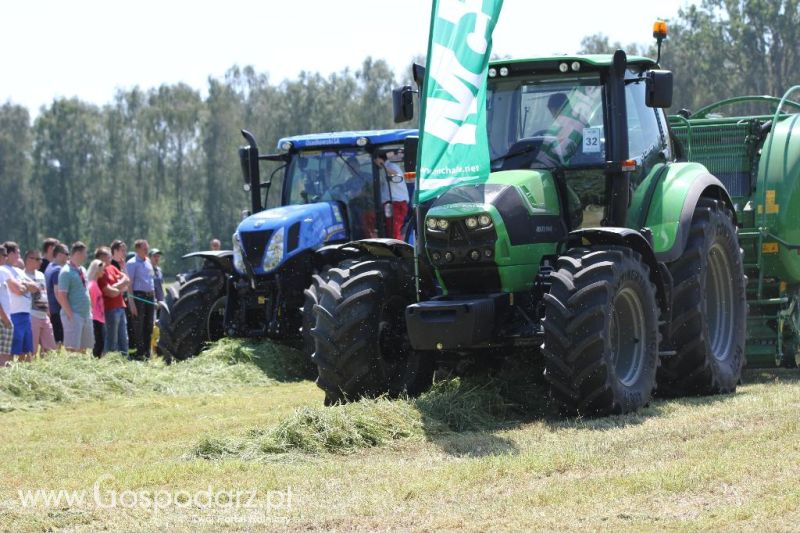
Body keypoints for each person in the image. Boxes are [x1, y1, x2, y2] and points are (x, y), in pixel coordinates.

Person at [2, 241, 39, 361]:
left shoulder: (18, 270)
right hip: (13, 315)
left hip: (26, 315)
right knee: (11, 351)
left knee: (27, 350)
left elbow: (36, 287)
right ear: (10, 253)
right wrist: (24, 286)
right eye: (17, 252)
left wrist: (24, 285)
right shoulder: (3, 270)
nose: (19, 255)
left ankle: (25, 375)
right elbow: (17, 290)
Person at [56, 242, 94, 352]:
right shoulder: (65, 272)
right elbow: (61, 295)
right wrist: (71, 315)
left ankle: (81, 369)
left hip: (86, 315)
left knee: (84, 349)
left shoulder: (82, 269)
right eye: (84, 253)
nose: (86, 256)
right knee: (72, 350)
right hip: (74, 315)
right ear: (77, 253)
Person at [96, 246, 129, 355]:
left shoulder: (112, 268)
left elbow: (127, 280)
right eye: (108, 256)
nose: (110, 258)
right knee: (111, 340)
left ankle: (124, 360)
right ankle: (110, 361)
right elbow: (110, 292)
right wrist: (120, 287)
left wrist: (115, 286)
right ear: (101, 258)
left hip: (120, 306)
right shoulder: (100, 273)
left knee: (124, 338)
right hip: (109, 309)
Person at [24, 249, 56, 355]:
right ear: (28, 259)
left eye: (41, 259)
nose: (41, 262)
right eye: (38, 259)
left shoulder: (41, 275)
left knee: (51, 350)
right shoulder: (21, 275)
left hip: (44, 316)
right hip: (31, 316)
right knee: (31, 351)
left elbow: (44, 294)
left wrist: (48, 312)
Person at [127, 239, 156, 359]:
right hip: (138, 297)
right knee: (139, 326)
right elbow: (129, 284)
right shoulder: (132, 263)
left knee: (149, 326)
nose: (147, 250)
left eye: (147, 248)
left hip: (150, 296)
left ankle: (147, 353)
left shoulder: (148, 262)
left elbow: (151, 280)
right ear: (138, 249)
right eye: (145, 248)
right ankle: (139, 354)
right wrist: (132, 303)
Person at [373, 151, 409, 240]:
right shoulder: (381, 170)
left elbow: (397, 175)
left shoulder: (391, 166)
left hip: (397, 204)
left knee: (394, 231)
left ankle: (398, 251)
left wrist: (382, 165)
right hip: (388, 204)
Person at [45, 243, 68, 345]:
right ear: (59, 255)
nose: (68, 256)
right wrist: (66, 308)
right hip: (57, 310)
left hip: (51, 309)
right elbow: (57, 292)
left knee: (54, 340)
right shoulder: (57, 270)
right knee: (59, 342)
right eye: (66, 253)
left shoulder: (49, 266)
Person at [87, 259, 106, 357]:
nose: (104, 272)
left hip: (99, 318)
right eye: (102, 269)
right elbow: (92, 303)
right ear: (97, 270)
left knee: (100, 343)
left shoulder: (94, 284)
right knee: (98, 343)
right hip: (95, 318)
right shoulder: (92, 285)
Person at [0, 245, 14, 366]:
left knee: (5, 353)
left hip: (4, 317)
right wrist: (4, 317)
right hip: (2, 318)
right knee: (2, 354)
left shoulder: (2, 272)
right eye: (4, 255)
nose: (6, 257)